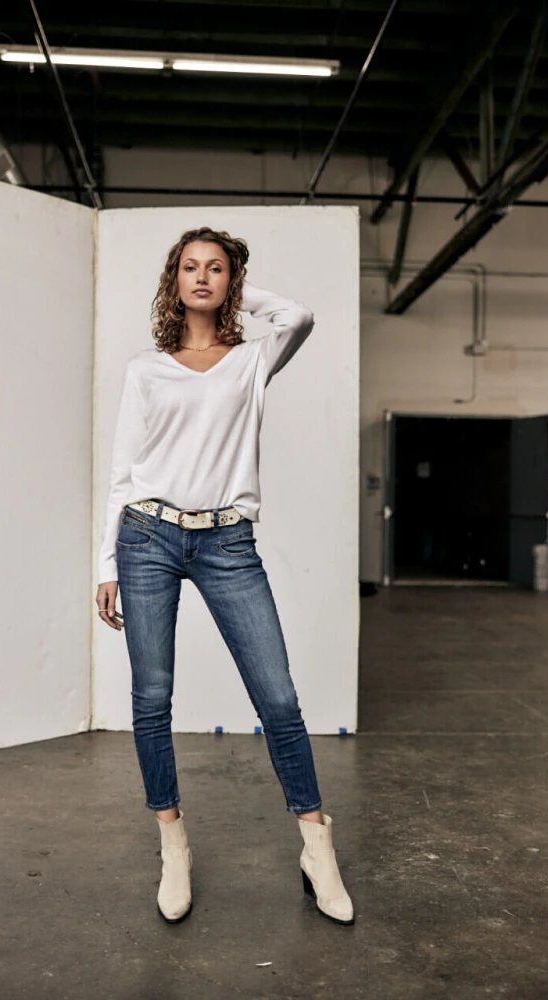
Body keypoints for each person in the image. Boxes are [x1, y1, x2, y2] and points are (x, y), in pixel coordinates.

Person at [93, 226, 354, 927]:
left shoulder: (251, 362)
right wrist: (107, 562)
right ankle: (173, 845)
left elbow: (299, 316)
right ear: (173, 280)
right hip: (147, 536)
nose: (202, 277)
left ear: (229, 282)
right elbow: (122, 471)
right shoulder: (146, 370)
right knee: (152, 699)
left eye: (216, 268)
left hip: (227, 540)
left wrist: (240, 291)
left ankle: (317, 848)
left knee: (279, 699)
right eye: (190, 267)